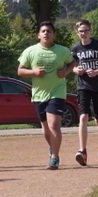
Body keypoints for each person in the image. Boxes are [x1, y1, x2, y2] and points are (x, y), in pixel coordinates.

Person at [18, 21, 76, 170]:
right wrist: (34, 72)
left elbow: (72, 62)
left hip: (57, 91)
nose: (46, 33)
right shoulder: (30, 51)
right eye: (43, 31)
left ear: (54, 35)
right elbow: (20, 70)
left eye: (49, 31)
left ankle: (54, 158)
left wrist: (66, 71)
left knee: (54, 124)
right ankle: (52, 148)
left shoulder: (62, 51)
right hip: (39, 94)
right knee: (45, 128)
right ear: (38, 35)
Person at [71, 19, 98, 166]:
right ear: (77, 33)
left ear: (90, 31)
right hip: (83, 86)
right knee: (83, 116)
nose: (83, 33)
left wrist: (97, 71)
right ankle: (82, 151)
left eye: (86, 31)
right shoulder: (76, 48)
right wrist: (76, 70)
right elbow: (70, 65)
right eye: (81, 31)